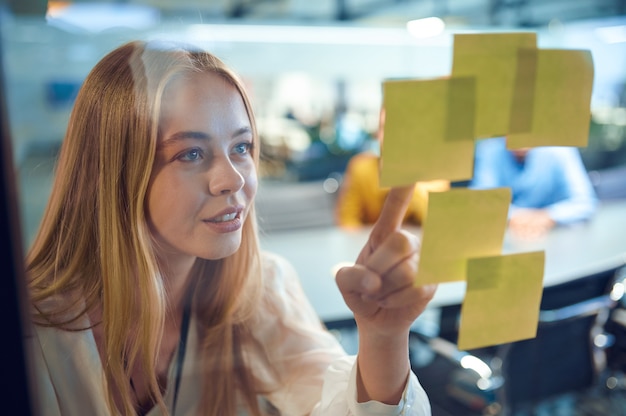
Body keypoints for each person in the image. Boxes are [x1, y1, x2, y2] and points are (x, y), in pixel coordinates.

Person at [24, 40, 437, 415]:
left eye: (241, 147)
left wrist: (383, 337)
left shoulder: (259, 291)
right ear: (114, 173)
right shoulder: (36, 334)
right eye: (190, 153)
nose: (234, 179)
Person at [335, 108, 450, 229]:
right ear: (377, 133)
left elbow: (436, 223)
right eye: (385, 128)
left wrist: (405, 177)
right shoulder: (361, 169)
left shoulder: (434, 172)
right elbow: (347, 223)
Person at [470, 136, 598, 238]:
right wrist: (514, 217)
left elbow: (585, 203)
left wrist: (547, 216)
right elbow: (479, 203)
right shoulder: (489, 150)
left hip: (555, 242)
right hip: (507, 241)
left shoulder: (560, 150)